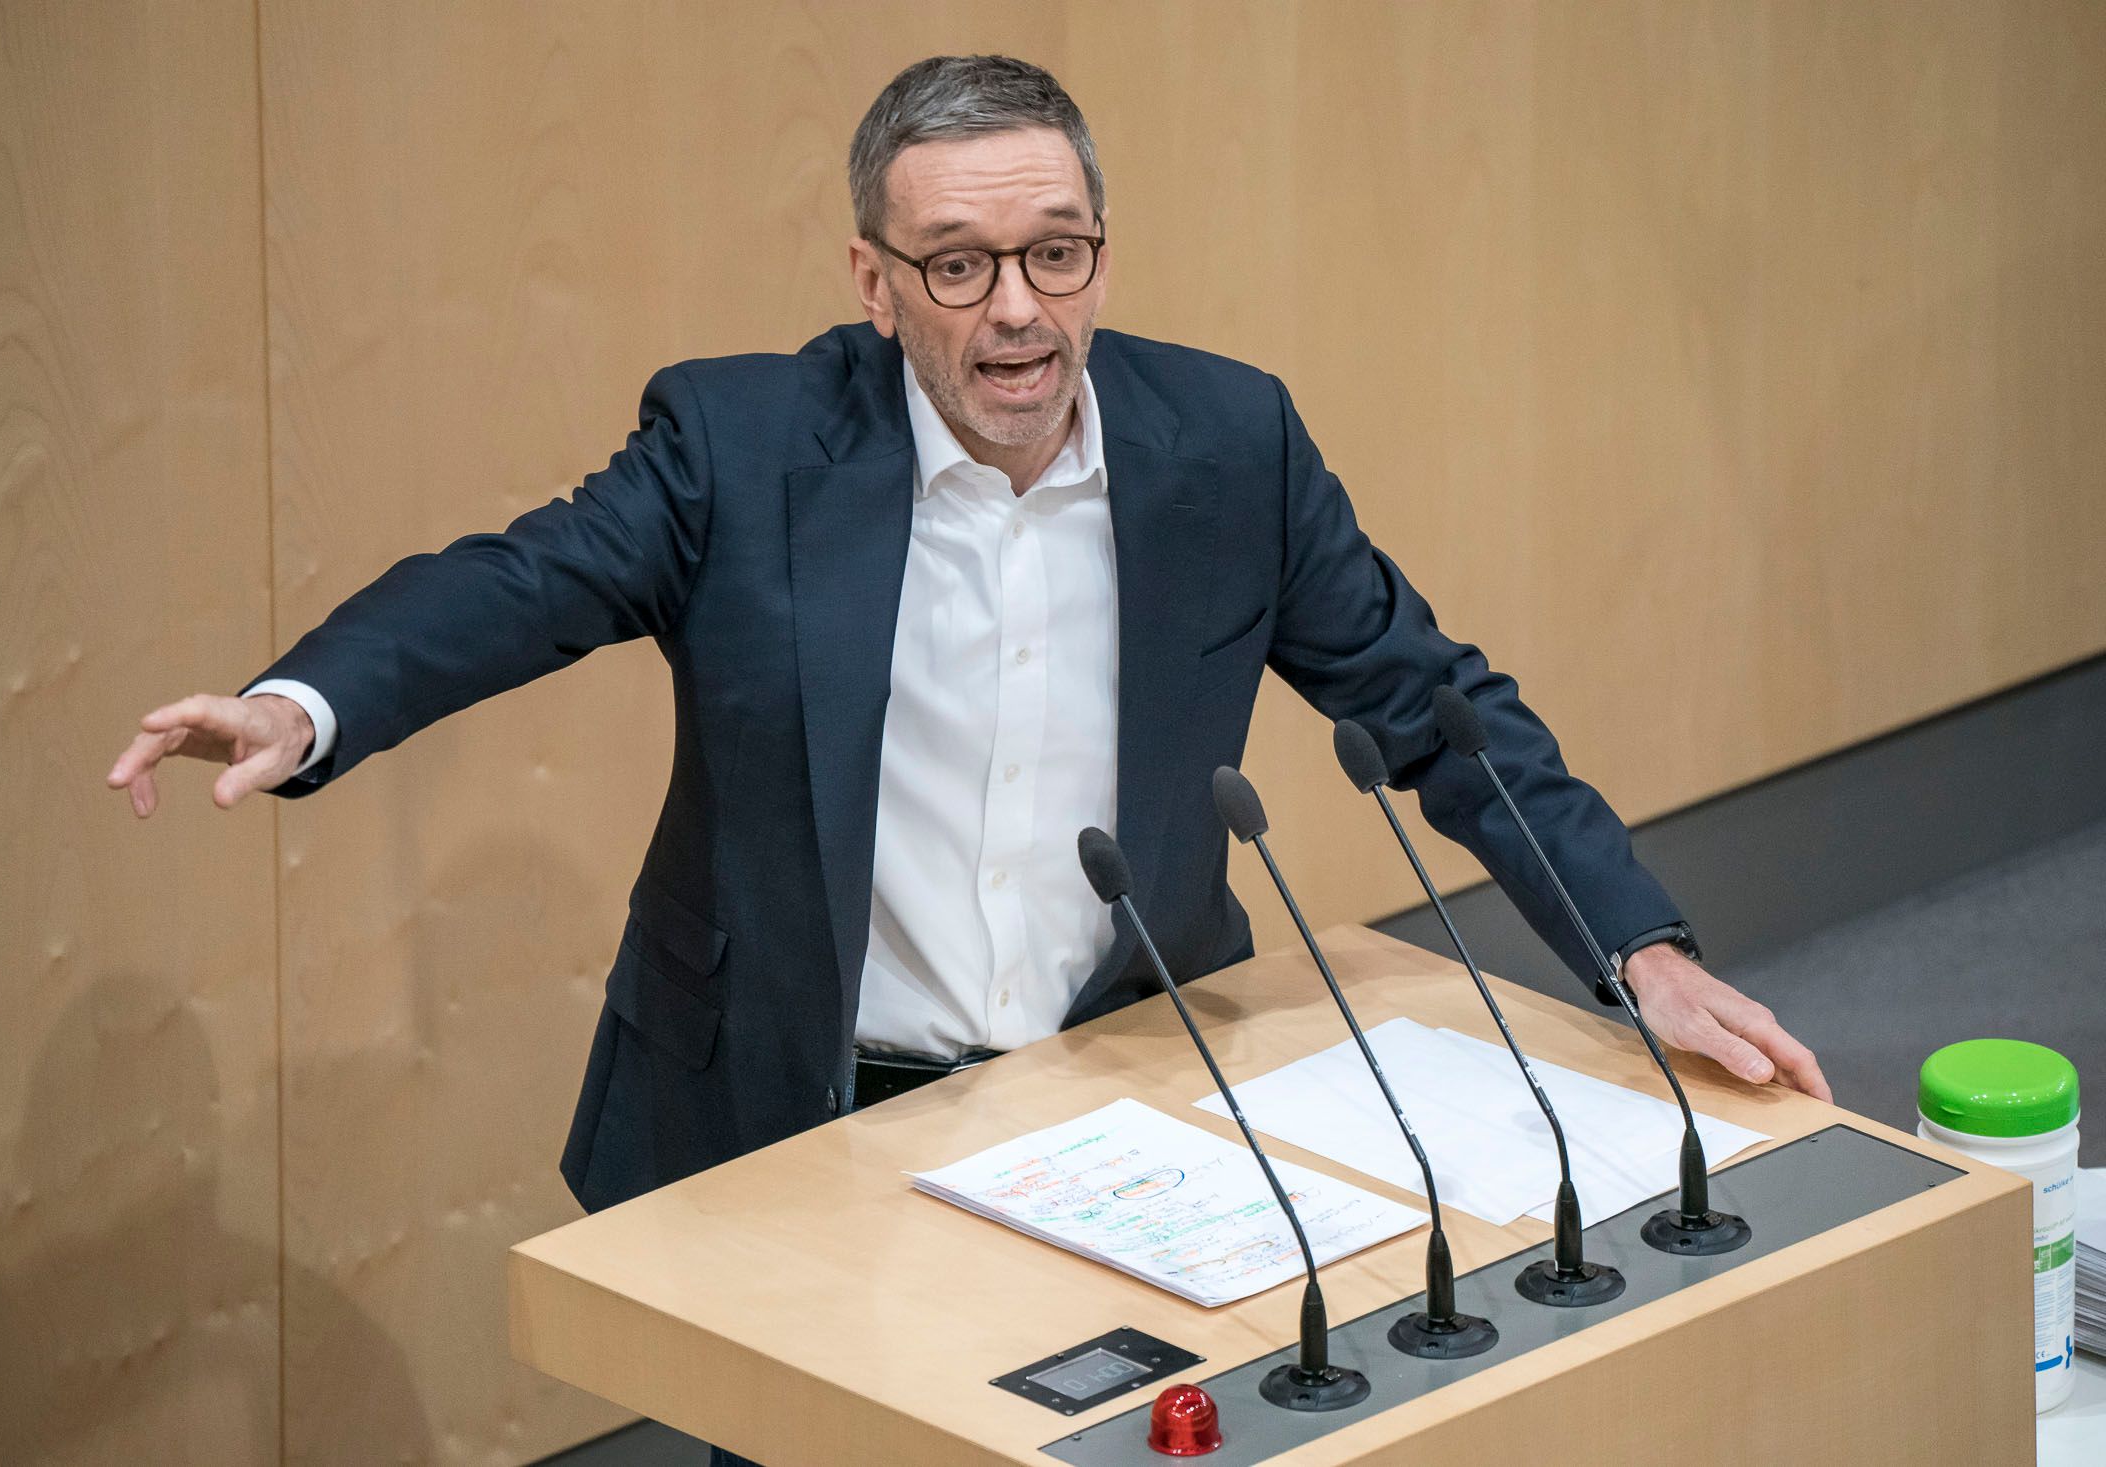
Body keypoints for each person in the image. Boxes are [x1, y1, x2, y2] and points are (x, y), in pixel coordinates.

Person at [108, 56, 1828, 1461]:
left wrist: (1639, 950)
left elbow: (1433, 704)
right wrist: (302, 703)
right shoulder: (747, 443)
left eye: (1055, 255)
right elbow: (524, 581)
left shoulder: (1226, 444)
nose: (1016, 313)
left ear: (1101, 254)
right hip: (815, 1100)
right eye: (957, 265)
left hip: (1122, 1078)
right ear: (874, 280)